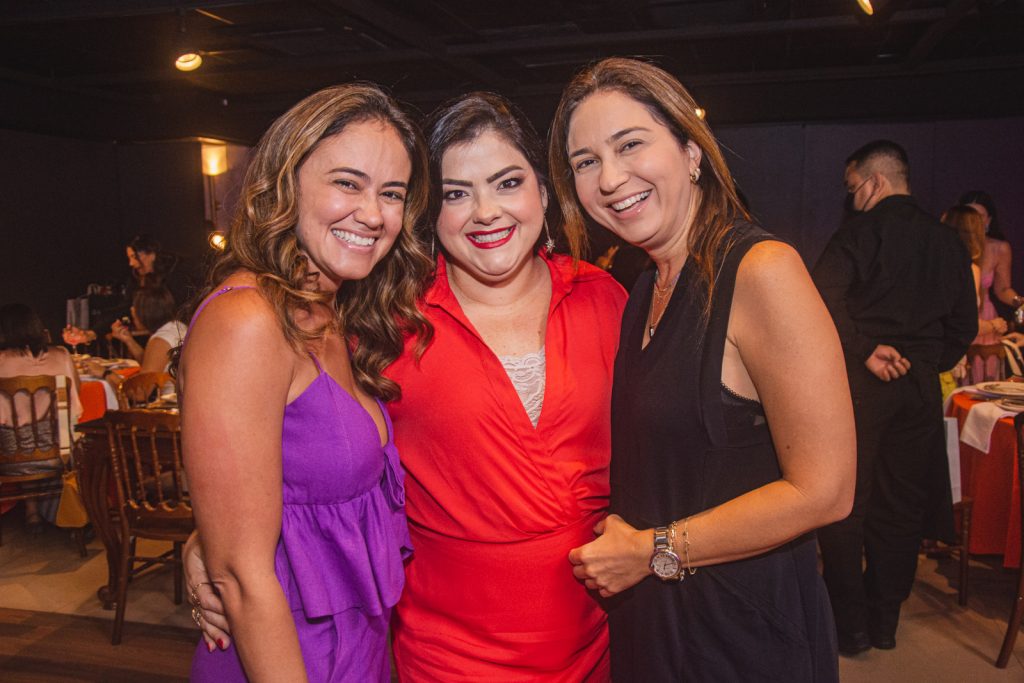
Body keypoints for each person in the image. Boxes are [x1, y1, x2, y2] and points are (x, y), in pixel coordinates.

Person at [186, 91, 627, 681]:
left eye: (390, 194)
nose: (486, 212)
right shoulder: (394, 320)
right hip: (431, 649)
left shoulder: (353, 316)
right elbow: (255, 488)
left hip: (583, 636)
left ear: (544, 194)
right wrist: (216, 541)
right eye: (455, 193)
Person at [549, 57, 855, 681]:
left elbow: (826, 490)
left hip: (742, 632)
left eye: (630, 144)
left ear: (691, 152)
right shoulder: (643, 288)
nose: (610, 179)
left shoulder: (763, 271)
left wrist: (653, 549)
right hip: (658, 622)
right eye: (585, 163)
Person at [182, 83, 433, 681]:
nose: (373, 214)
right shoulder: (246, 320)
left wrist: (207, 532)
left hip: (355, 649)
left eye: (391, 193)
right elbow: (242, 574)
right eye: (348, 183)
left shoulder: (331, 311)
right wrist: (215, 546)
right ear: (285, 183)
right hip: (284, 657)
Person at [812, 140, 977, 655]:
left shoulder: (857, 234)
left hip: (860, 388)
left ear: (875, 182)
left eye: (851, 187)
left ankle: (852, 626)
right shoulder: (948, 243)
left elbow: (818, 305)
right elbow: (964, 327)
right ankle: (885, 623)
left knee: (845, 505)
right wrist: (923, 365)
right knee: (901, 509)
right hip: (919, 391)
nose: (850, 197)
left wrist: (866, 350)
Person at [0, 303, 83, 531]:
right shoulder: (62, 355)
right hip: (59, 454)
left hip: (8, 460)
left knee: (16, 434)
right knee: (41, 430)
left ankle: (32, 512)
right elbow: (77, 398)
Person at [959, 190, 1021, 326]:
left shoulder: (998, 248)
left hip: (985, 316)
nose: (973, 221)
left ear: (988, 220)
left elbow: (1002, 289)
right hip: (957, 317)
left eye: (980, 216)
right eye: (969, 214)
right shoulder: (949, 245)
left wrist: (1020, 303)